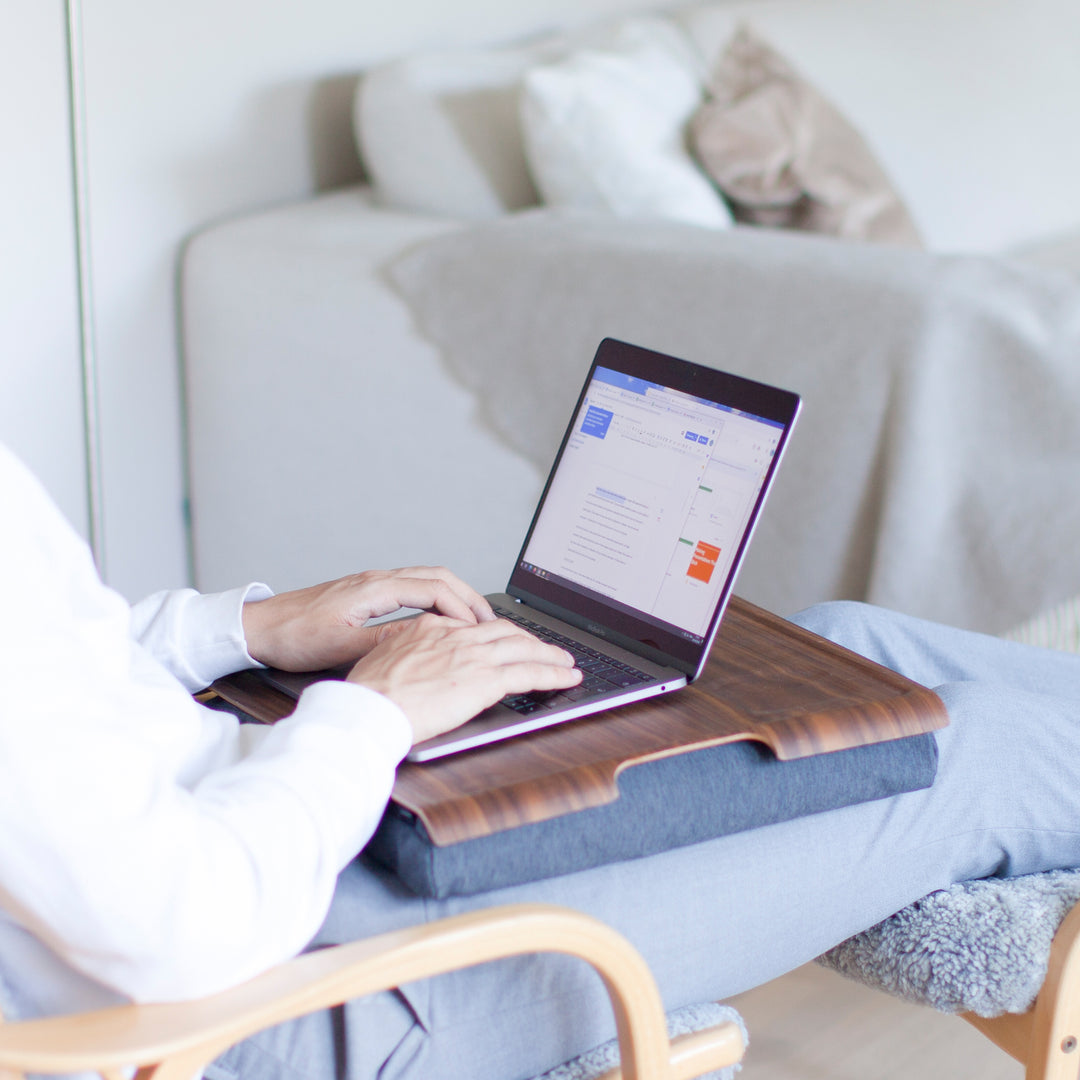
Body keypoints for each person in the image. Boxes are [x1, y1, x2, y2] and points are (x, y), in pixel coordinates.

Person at [5, 436, 1080, 1080]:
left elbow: (61, 666)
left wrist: (248, 630)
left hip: (296, 843)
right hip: (292, 1001)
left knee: (843, 651)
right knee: (966, 751)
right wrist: (372, 712)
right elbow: (173, 933)